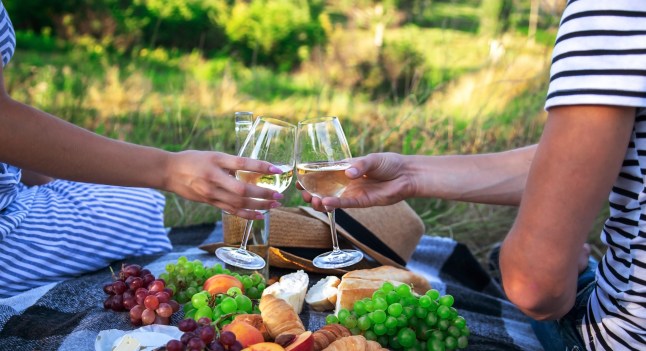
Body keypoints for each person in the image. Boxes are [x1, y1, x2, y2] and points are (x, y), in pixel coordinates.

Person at [300, 1, 646, 350]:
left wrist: (540, 260)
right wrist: (408, 174)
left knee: (506, 260)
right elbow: (576, 164)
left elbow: (536, 290)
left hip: (616, 336)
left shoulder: (611, 10)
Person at [0, 1, 284, 298]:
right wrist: (169, 170)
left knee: (143, 201)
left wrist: (50, 179)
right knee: (143, 212)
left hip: (13, 191)